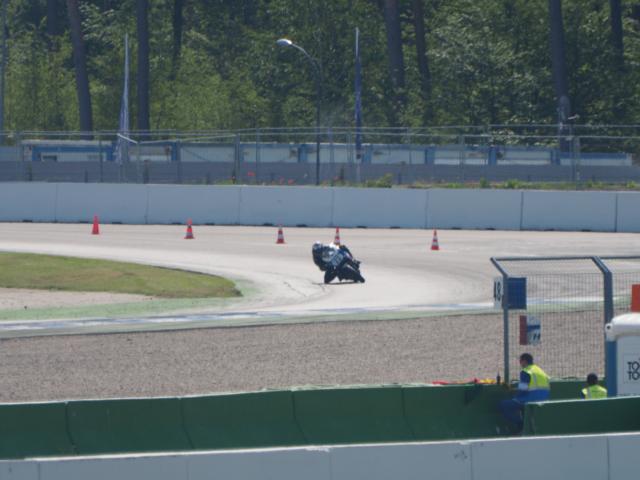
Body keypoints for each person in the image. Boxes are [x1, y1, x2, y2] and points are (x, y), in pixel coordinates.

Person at [499, 353, 550, 432]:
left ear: (524, 361)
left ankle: (520, 424)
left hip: (530, 400)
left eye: (520, 361)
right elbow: (534, 387)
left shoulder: (526, 371)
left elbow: (522, 390)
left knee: (503, 405)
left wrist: (514, 398)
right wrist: (516, 390)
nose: (520, 363)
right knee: (520, 404)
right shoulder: (540, 371)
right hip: (543, 400)